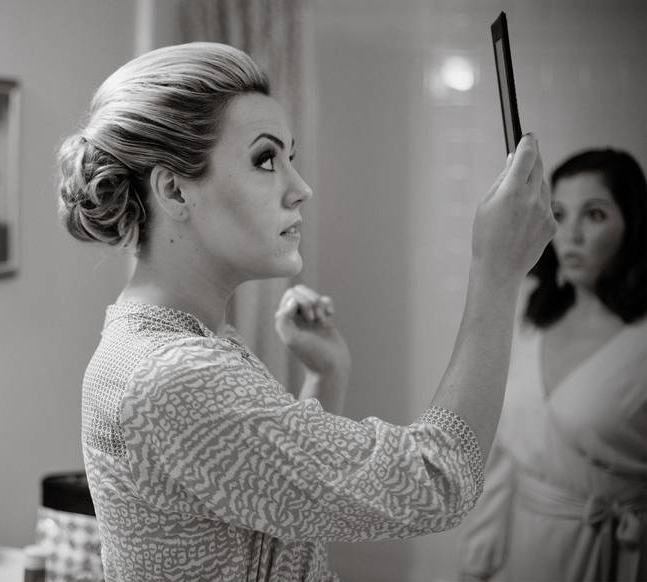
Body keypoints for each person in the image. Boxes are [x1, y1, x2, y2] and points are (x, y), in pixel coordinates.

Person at [57, 42, 555, 581]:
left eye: (290, 158)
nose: (300, 189)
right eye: (266, 159)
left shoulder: (152, 344)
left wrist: (325, 374)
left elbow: (277, 505)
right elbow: (436, 481)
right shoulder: (176, 378)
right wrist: (497, 276)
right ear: (175, 190)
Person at [458, 148, 647, 581]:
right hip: (528, 550)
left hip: (617, 554)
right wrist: (475, 565)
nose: (572, 234)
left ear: (633, 226)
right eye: (559, 213)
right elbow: (505, 459)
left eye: (595, 215)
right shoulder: (532, 322)